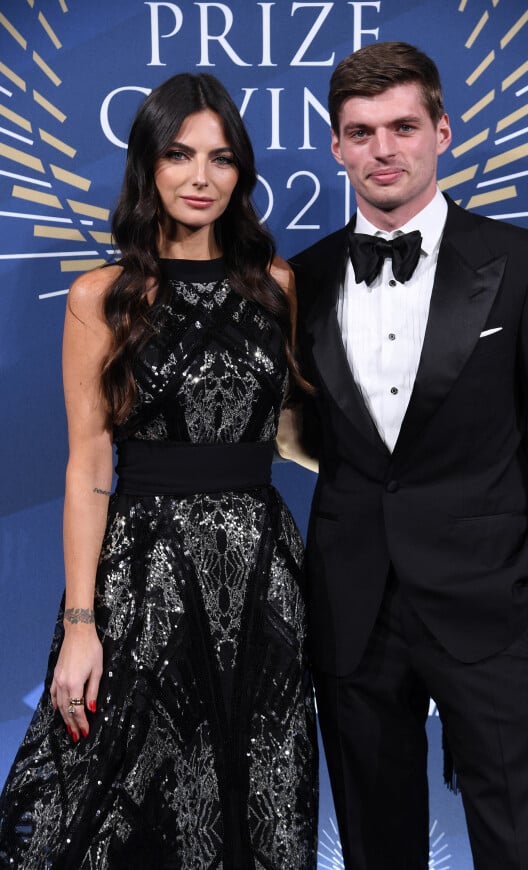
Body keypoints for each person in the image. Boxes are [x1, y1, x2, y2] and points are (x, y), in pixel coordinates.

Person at [0, 72, 318, 869]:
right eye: (179, 155)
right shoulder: (102, 297)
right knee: (122, 807)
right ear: (149, 167)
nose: (200, 177)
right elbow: (87, 463)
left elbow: (287, 435)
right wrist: (81, 624)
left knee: (264, 798)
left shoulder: (277, 287)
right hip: (143, 578)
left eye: (219, 158)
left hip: (262, 583)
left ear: (241, 172)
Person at [282, 40, 528, 870]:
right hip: (351, 607)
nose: (384, 148)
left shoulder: (525, 266)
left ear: (442, 131)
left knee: (519, 844)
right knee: (377, 849)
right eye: (362, 130)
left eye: (404, 126)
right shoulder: (297, 282)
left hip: (493, 603)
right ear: (336, 145)